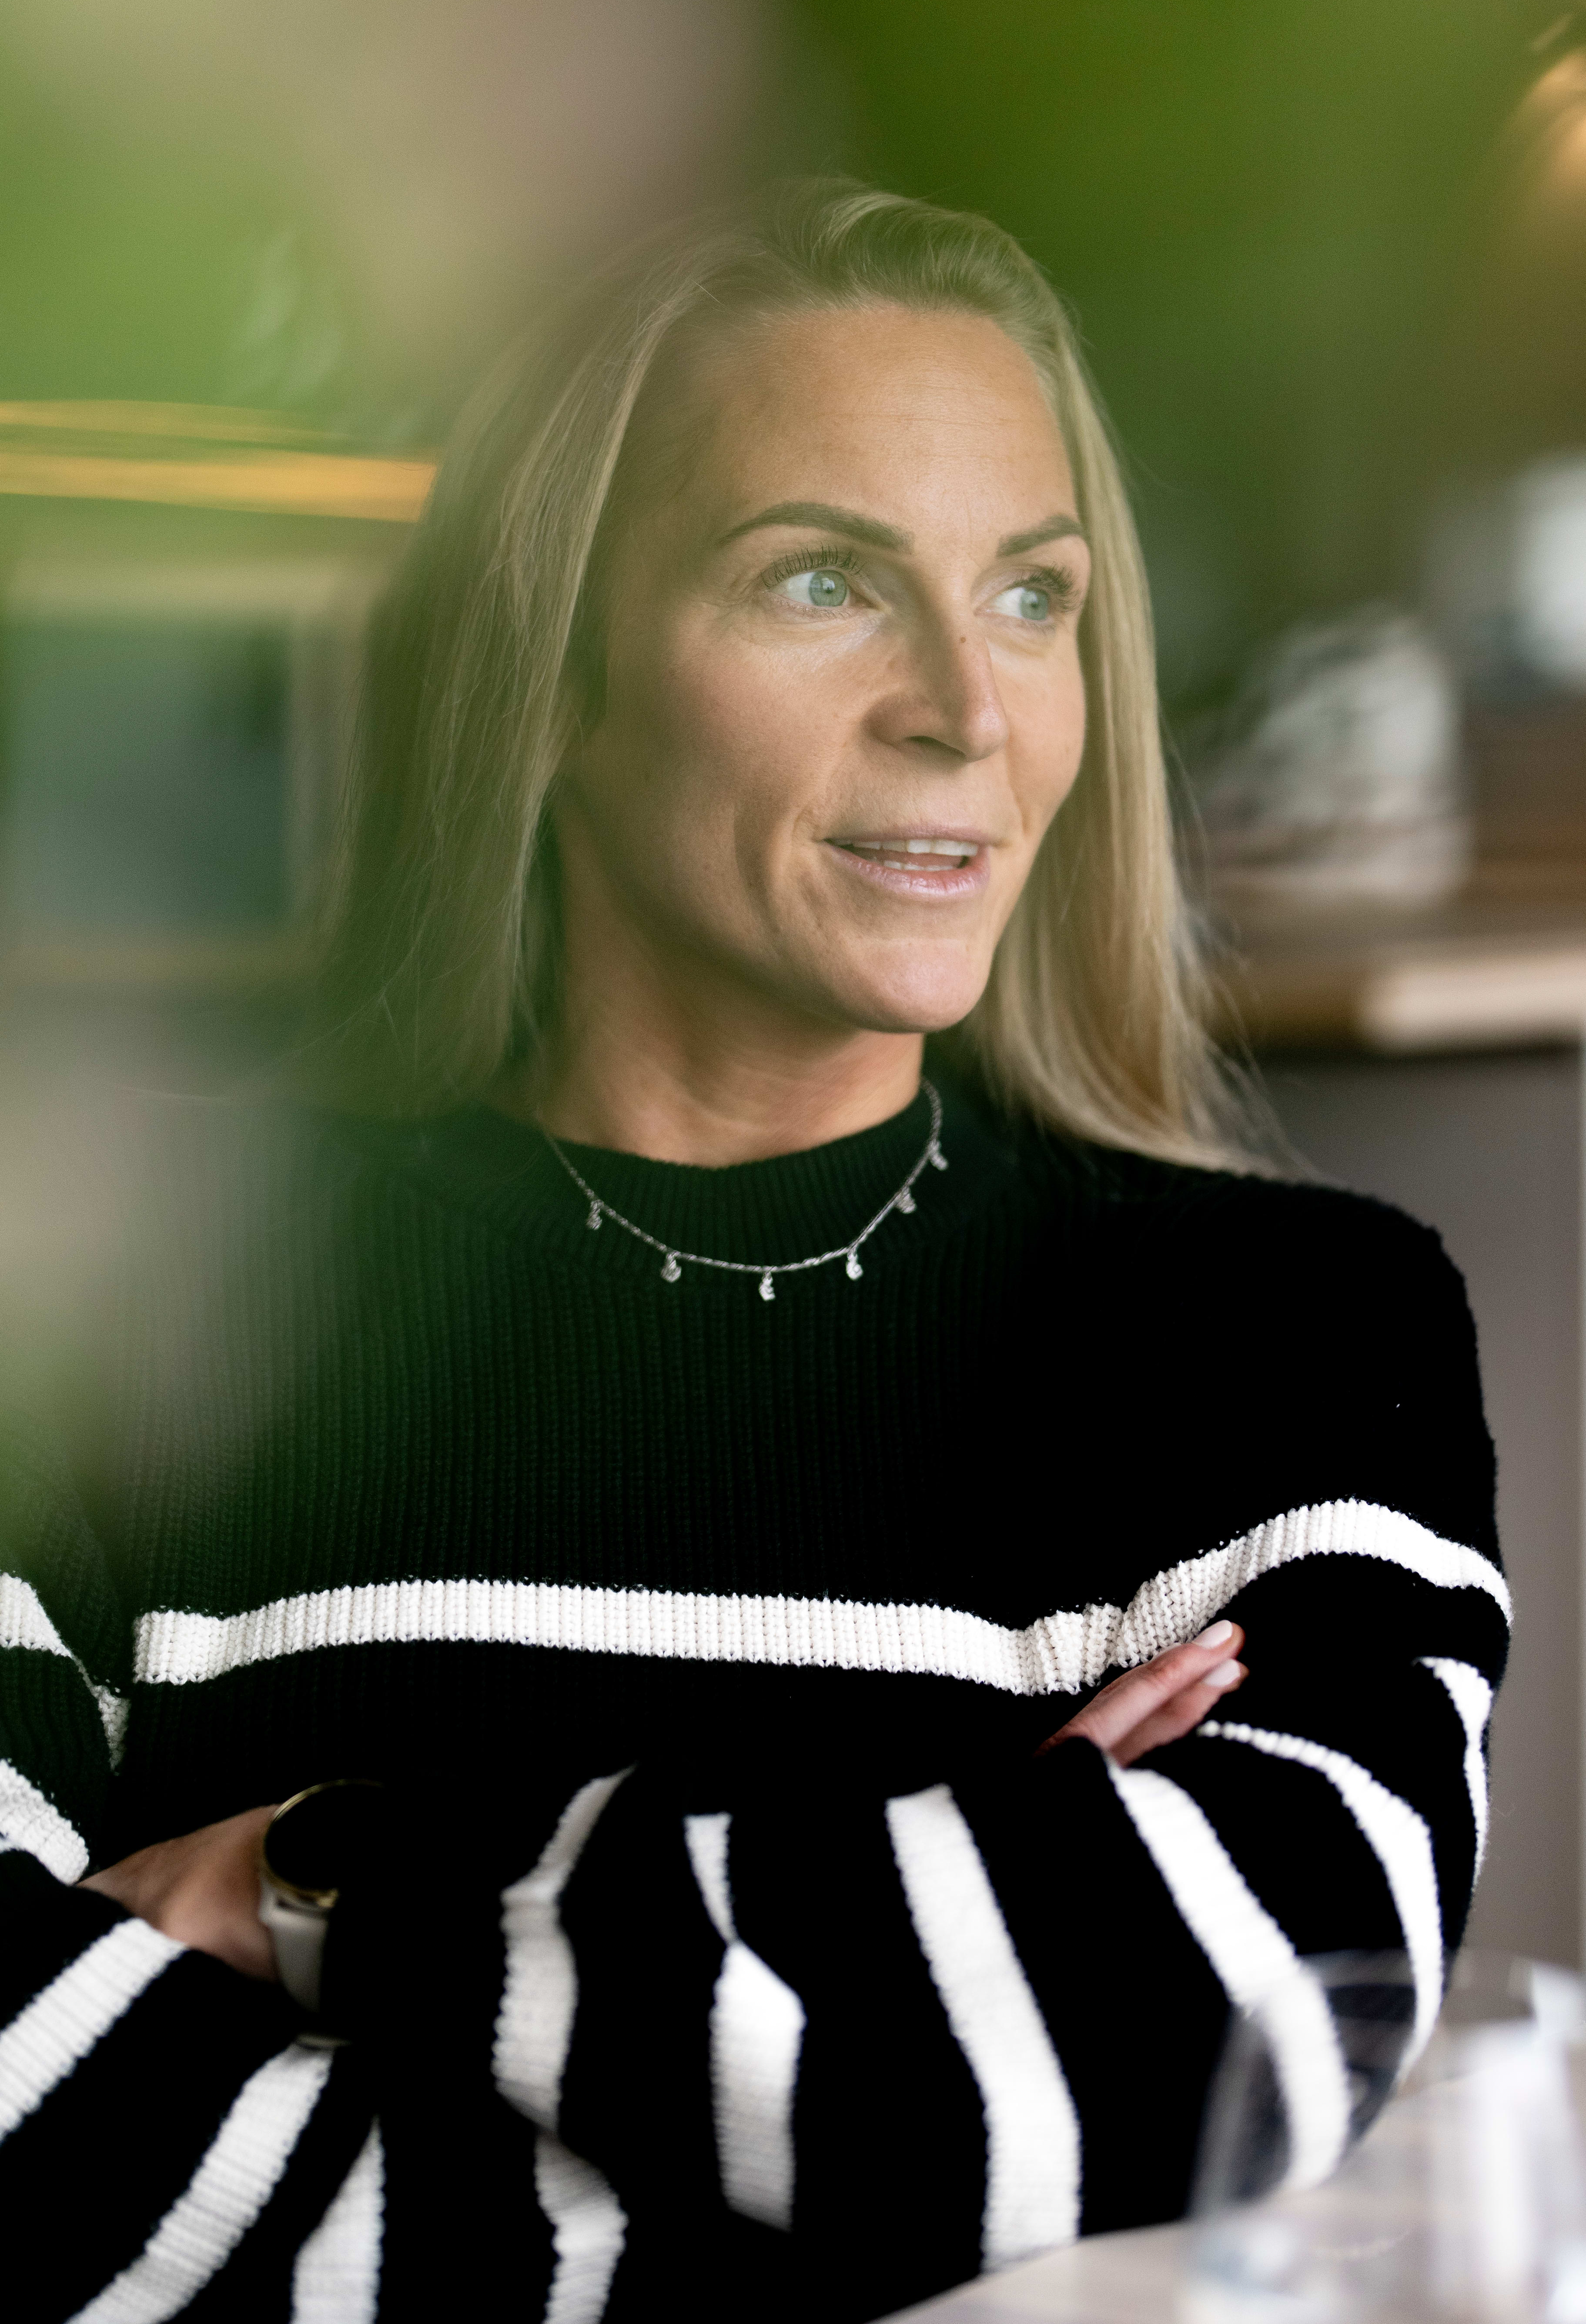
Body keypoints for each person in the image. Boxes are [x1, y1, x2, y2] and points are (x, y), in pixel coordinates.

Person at [0, 182, 1506, 2323]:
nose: (967, 711)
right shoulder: (104, 1287)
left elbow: (1228, 2041)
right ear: (553, 671)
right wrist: (897, 2016)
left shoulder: (1292, 1333)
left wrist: (312, 1874)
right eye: (823, 580)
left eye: (1033, 596)